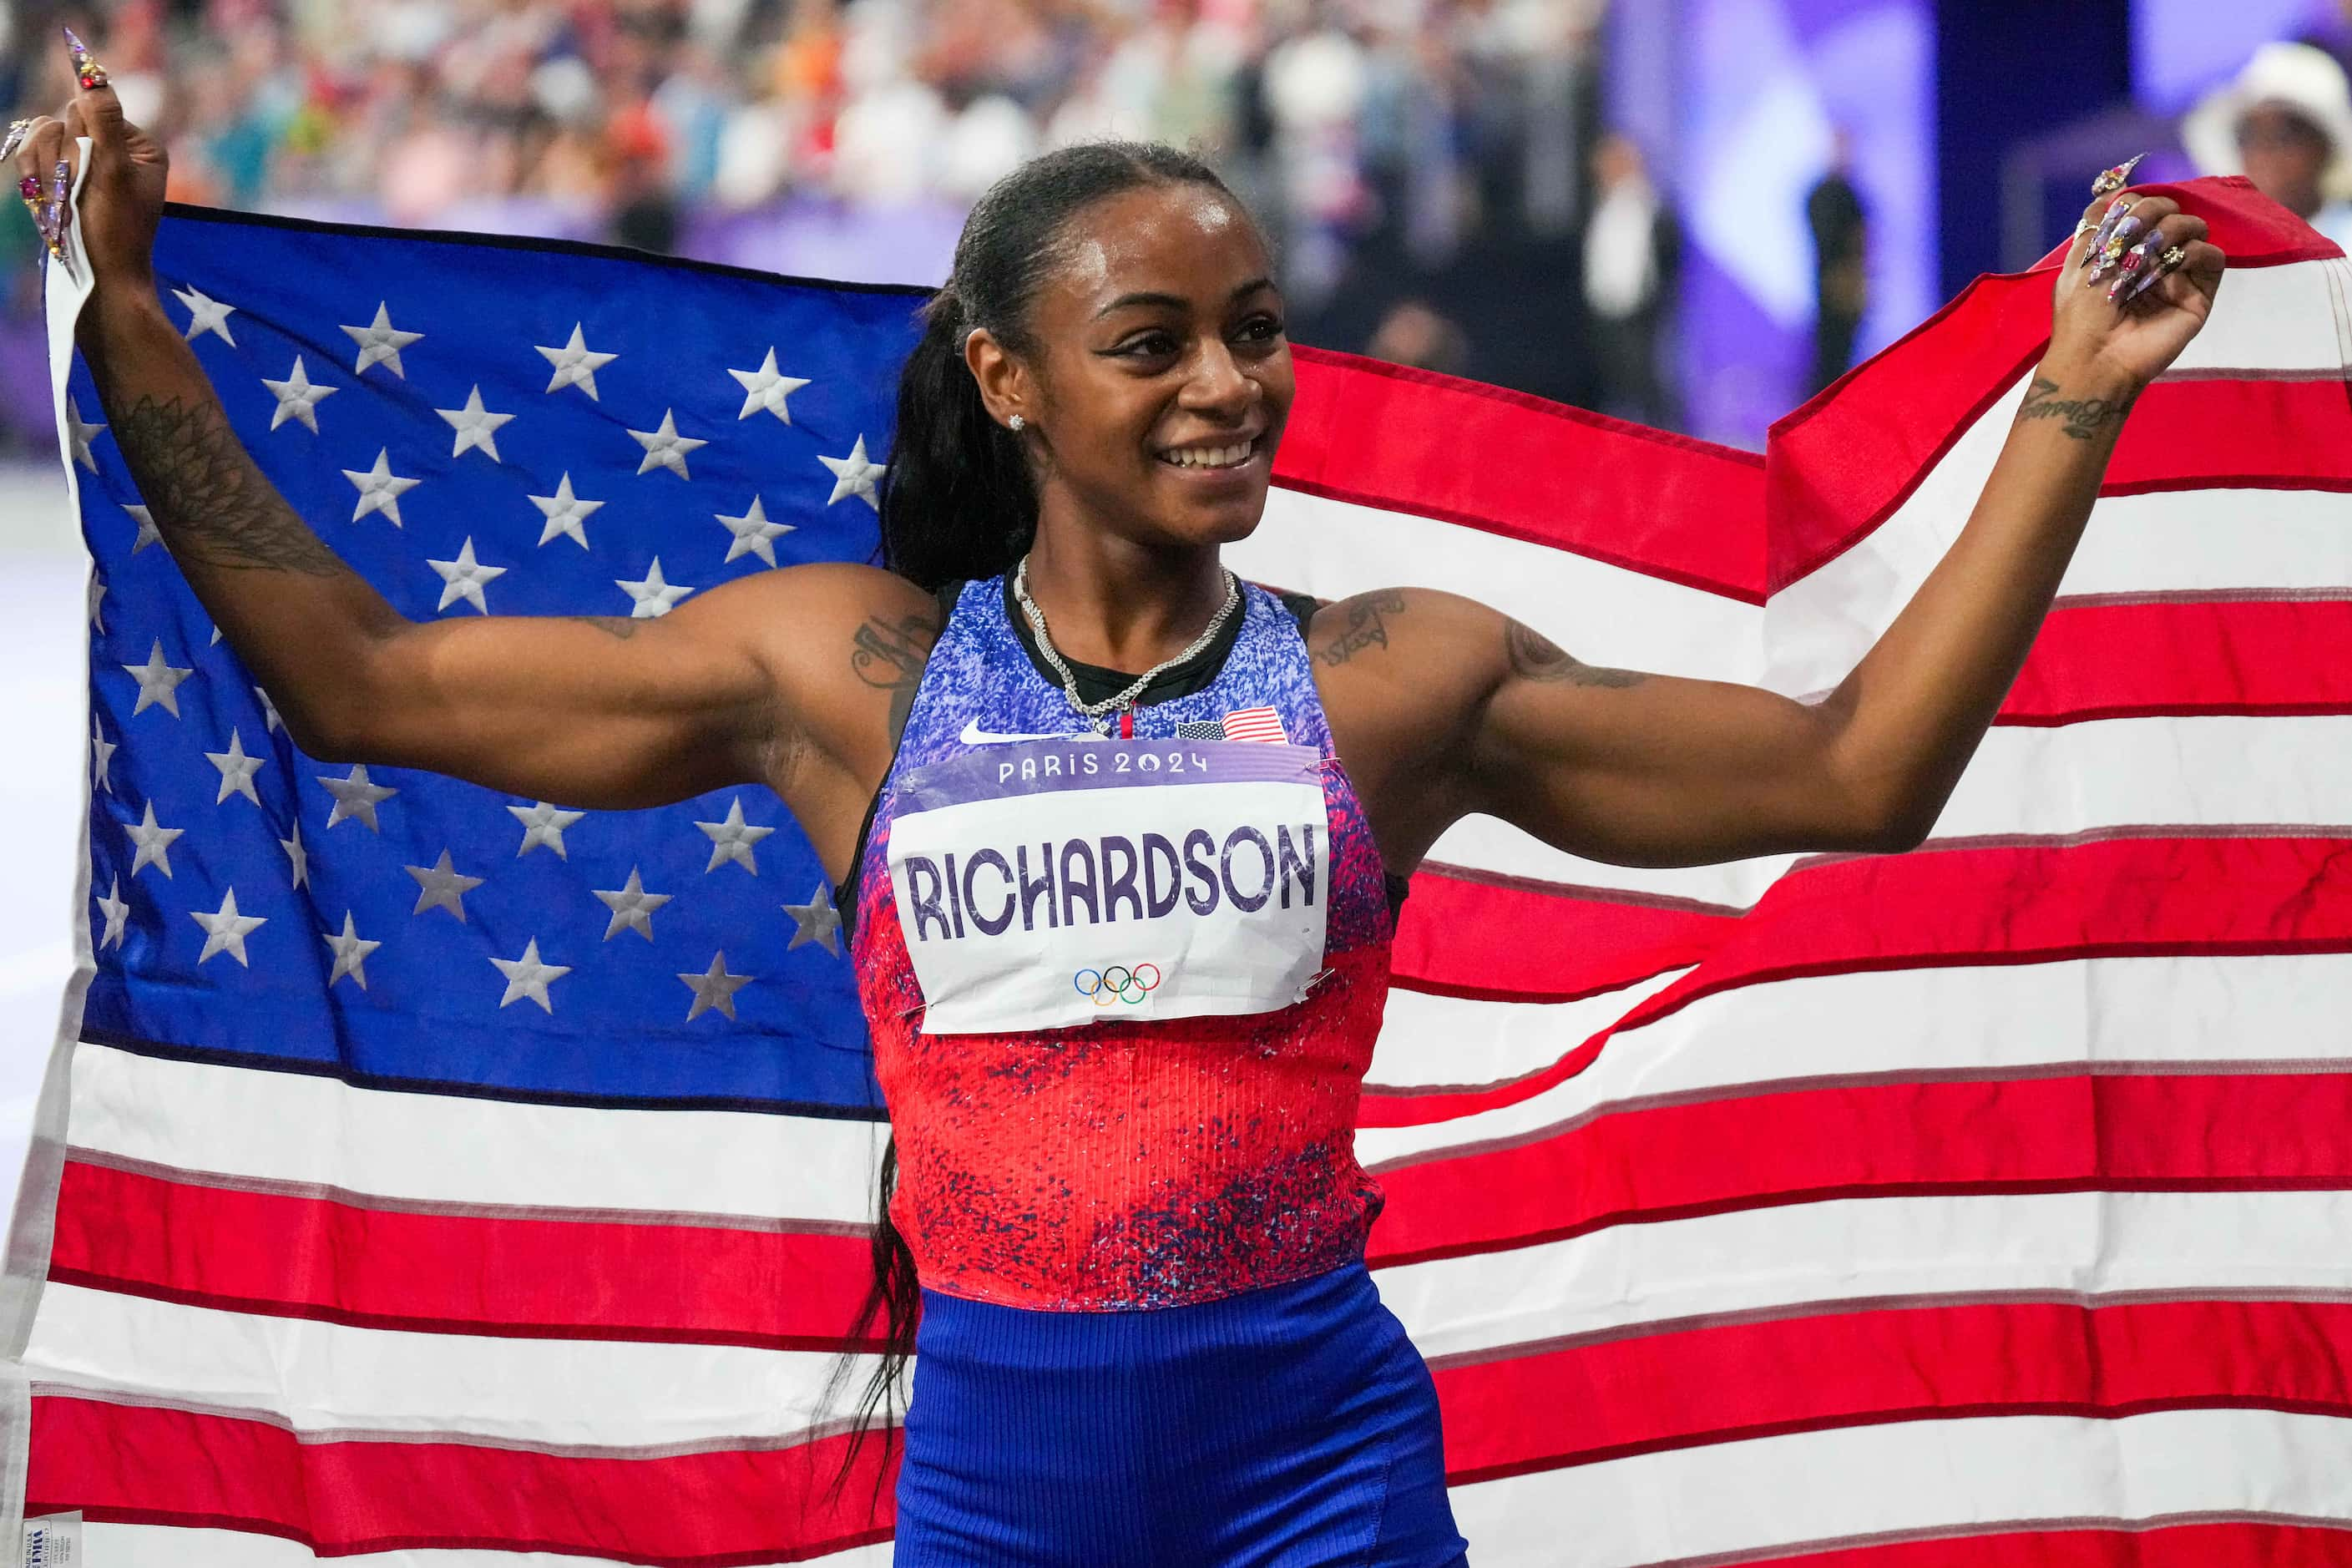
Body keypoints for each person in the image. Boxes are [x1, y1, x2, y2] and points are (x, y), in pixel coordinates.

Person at [19, 27, 2225, 1560]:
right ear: (1010, 380)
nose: (1231, 383)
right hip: (1003, 1476)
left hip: (1324, 1471)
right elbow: (361, 677)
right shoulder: (844, 673)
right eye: (1153, 339)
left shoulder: (1389, 680)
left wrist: (2068, 416)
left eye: (1253, 326)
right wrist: (127, 324)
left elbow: (1858, 770)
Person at [2183, 40, 2352, 253]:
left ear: (2324, 149)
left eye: (2285, 135)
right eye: (2248, 135)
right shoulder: (2219, 251)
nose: (2264, 151)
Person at [1577, 130, 1680, 427]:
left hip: (1638, 309)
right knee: (1613, 383)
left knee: (1644, 381)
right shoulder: (1600, 205)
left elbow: (1656, 256)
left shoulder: (1645, 204)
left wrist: (1645, 295)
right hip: (1602, 308)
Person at [1805, 127, 1869, 397]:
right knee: (1830, 357)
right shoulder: (1823, 194)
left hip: (1849, 282)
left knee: (1844, 355)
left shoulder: (1850, 191)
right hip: (1833, 283)